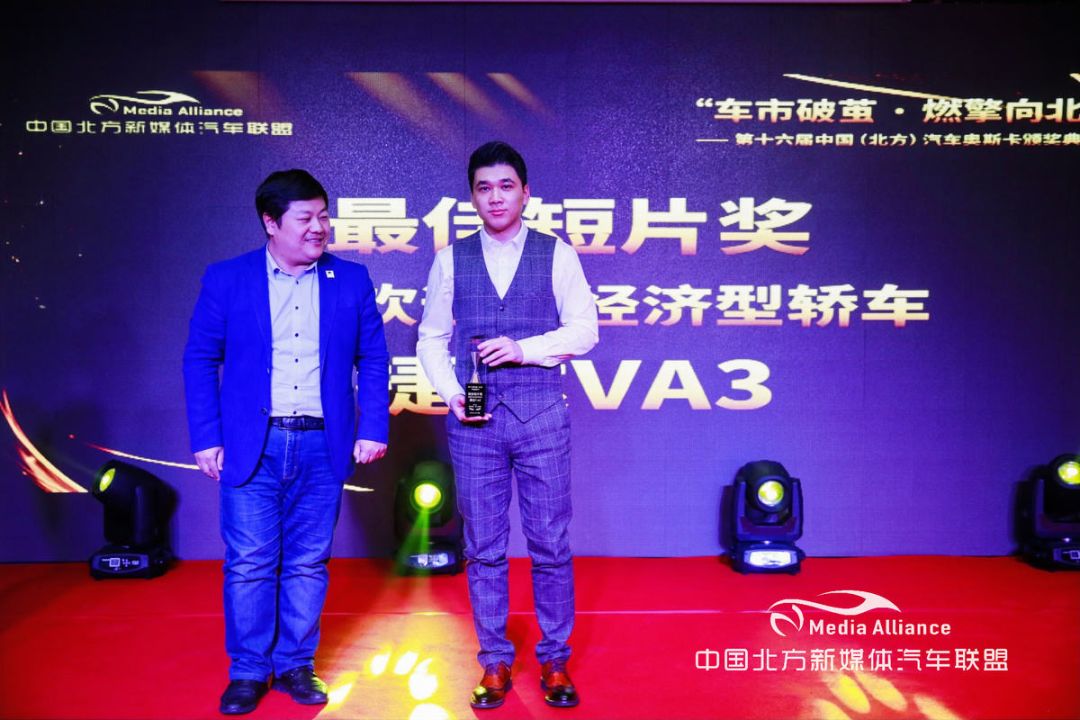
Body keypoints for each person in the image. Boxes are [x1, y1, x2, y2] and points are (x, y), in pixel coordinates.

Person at [183, 169, 389, 715]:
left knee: (308, 561)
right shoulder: (227, 278)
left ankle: (297, 663)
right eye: (305, 218)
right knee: (249, 562)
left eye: (323, 216)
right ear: (271, 223)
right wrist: (206, 436)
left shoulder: (351, 279)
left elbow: (373, 357)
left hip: (323, 442)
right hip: (252, 443)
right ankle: (249, 670)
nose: (319, 227)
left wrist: (372, 426)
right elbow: (200, 358)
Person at [417, 141, 598, 709]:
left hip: (542, 416)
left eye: (505, 186)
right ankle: (494, 660)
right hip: (474, 424)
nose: (495, 197)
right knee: (484, 547)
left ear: (525, 193)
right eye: (483, 188)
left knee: (550, 543)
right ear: (472, 198)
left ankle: (555, 660)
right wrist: (452, 394)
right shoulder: (450, 259)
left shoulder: (556, 253)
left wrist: (524, 348)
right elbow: (430, 338)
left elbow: (585, 330)